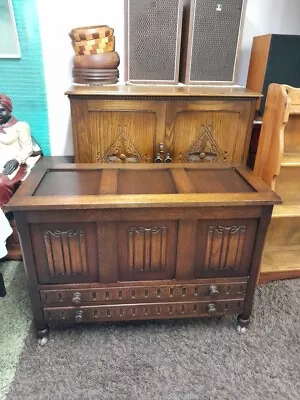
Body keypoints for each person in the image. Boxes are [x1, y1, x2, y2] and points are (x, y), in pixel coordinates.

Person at [0, 94, 33, 207]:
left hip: (14, 163)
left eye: (1, 110)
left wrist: (17, 160)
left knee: (2, 182)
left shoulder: (21, 126)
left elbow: (28, 149)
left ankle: (7, 214)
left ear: (9, 110)